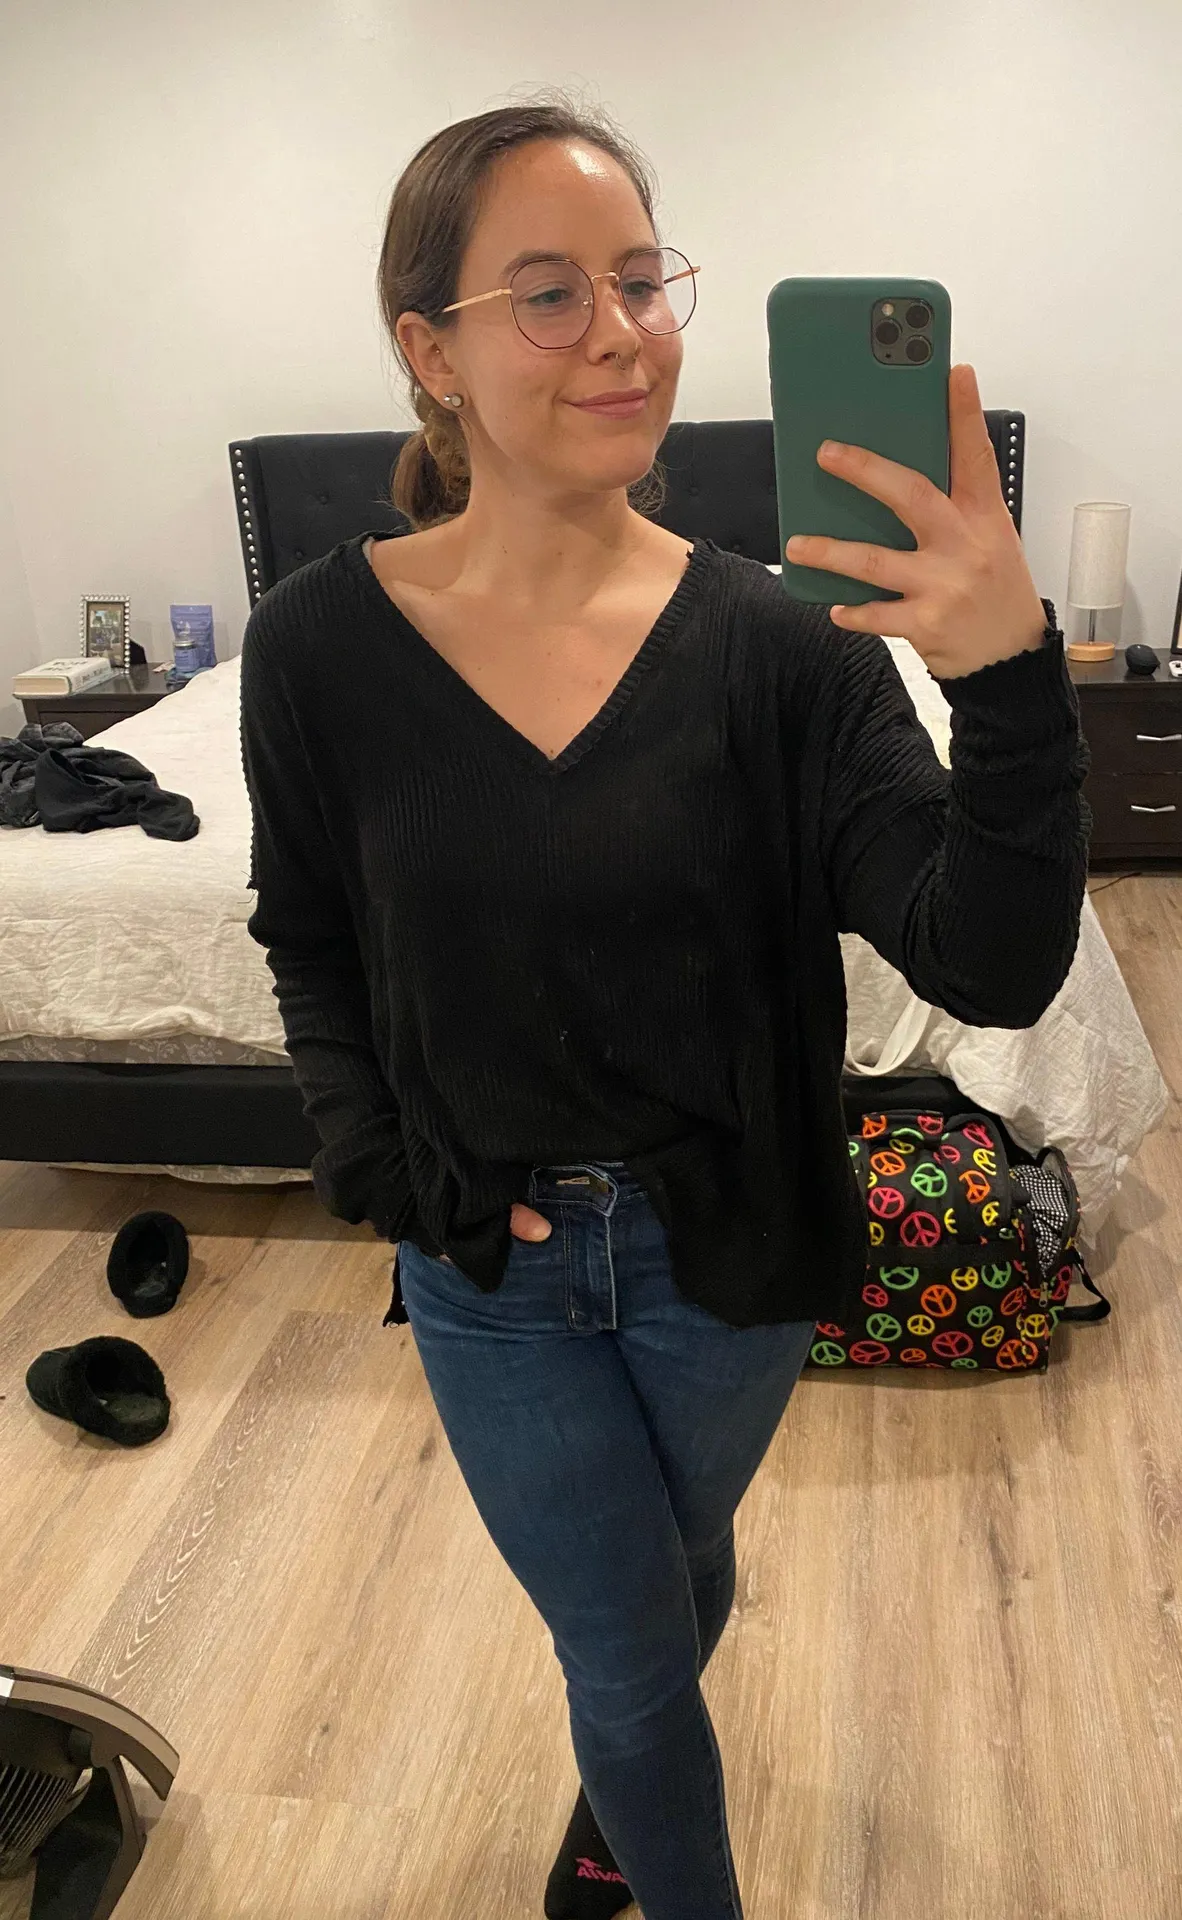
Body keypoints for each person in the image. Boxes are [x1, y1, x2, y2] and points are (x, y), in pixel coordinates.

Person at [239, 95, 1090, 1920]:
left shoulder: (783, 650)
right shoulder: (316, 644)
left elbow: (988, 963)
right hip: (490, 1262)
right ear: (432, 353)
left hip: (733, 1255)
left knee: (665, 1581)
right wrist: (378, 1169)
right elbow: (307, 932)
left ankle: (611, 1823)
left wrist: (1010, 680)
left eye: (640, 279)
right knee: (628, 1650)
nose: (621, 333)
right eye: (548, 293)